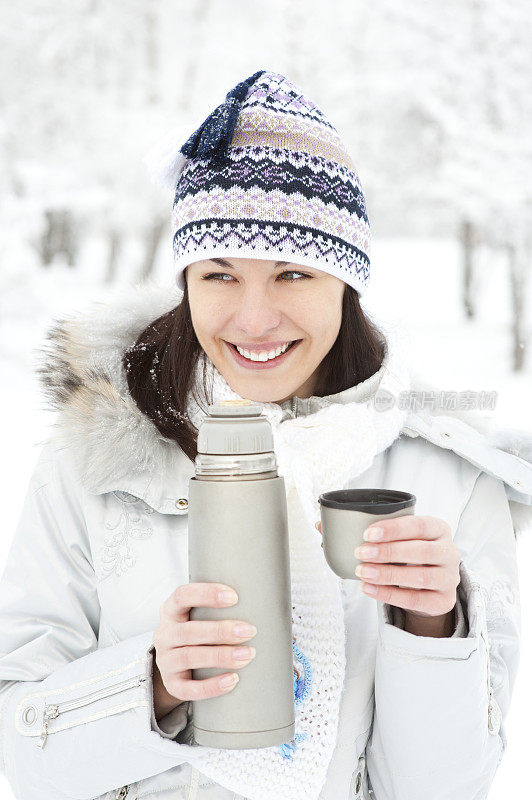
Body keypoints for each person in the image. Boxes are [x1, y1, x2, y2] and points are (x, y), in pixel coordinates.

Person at [0, 70, 530, 800]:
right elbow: (17, 752)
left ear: (346, 283)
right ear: (187, 279)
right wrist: (149, 686)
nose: (253, 321)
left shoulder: (448, 482)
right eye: (219, 275)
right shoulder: (95, 460)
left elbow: (444, 789)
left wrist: (431, 627)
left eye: (291, 275)